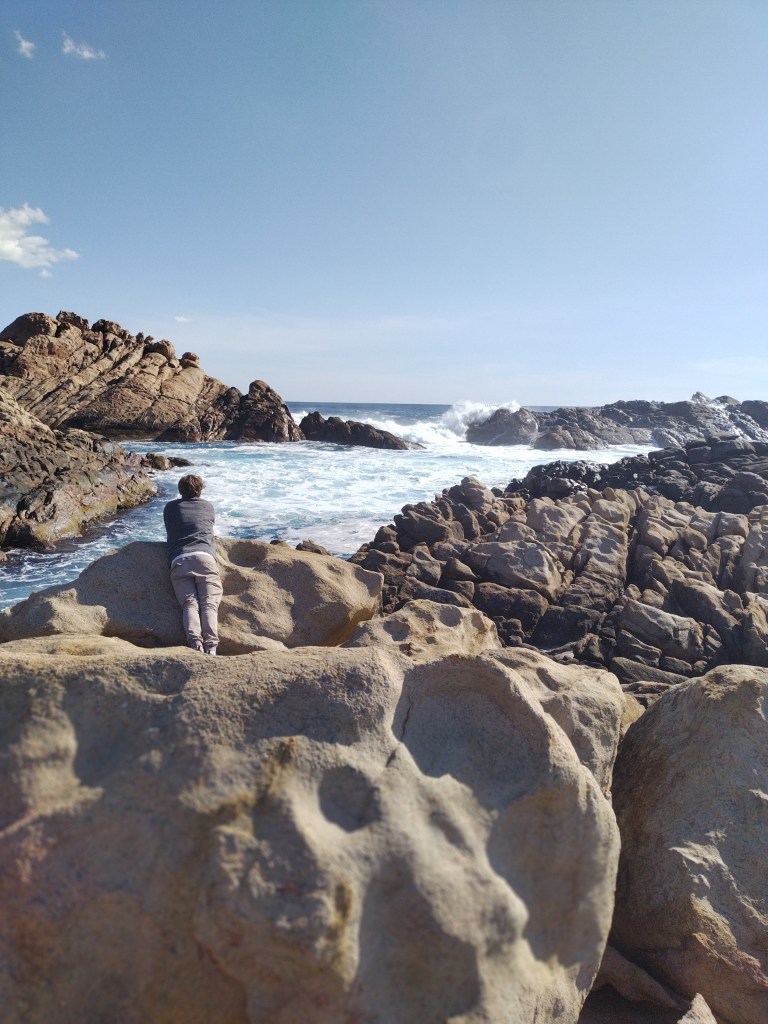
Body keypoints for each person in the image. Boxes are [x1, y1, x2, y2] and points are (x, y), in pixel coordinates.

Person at [163, 474, 223, 654]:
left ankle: (195, 645)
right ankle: (211, 647)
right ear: (200, 490)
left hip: (180, 560)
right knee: (209, 604)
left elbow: (173, 529)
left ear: (180, 490)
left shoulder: (170, 507)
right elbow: (205, 527)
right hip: (205, 559)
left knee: (190, 604)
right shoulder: (207, 506)